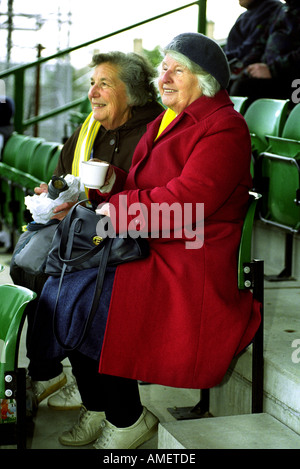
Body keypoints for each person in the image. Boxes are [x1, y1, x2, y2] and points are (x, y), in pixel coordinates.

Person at [28, 32, 261, 449]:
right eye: (164, 68)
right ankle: (99, 405)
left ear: (205, 80)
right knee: (60, 277)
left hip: (188, 250)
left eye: (178, 70)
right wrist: (110, 188)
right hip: (152, 237)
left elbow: (190, 203)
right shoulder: (167, 119)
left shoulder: (224, 128)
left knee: (84, 294)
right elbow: (143, 186)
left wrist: (118, 209)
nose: (164, 77)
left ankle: (128, 417)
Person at [10, 51, 162, 410]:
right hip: (87, 231)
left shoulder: (153, 133)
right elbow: (64, 177)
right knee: (25, 263)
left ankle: (83, 391)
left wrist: (81, 212)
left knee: (60, 280)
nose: (92, 92)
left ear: (133, 92)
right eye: (92, 83)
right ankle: (47, 371)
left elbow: (152, 200)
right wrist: (53, 195)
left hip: (128, 239)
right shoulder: (90, 127)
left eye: (104, 84)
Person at [229, 0, 300, 103]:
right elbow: (261, 44)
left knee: (242, 87)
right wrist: (244, 67)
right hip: (273, 75)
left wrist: (272, 70)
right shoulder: (282, 10)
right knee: (225, 85)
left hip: (292, 80)